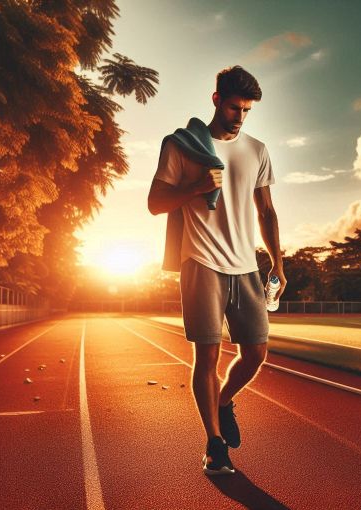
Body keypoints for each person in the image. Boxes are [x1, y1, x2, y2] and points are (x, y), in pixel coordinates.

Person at [147, 66, 286, 475]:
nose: (239, 117)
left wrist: (277, 262)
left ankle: (224, 401)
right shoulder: (182, 146)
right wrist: (195, 187)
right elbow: (156, 202)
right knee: (206, 356)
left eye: (246, 110)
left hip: (246, 266)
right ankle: (213, 444)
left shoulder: (257, 150)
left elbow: (267, 211)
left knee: (256, 353)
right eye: (232, 107)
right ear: (215, 100)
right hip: (201, 262)